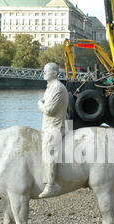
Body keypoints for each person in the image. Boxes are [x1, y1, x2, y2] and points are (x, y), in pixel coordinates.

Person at [38, 63, 69, 198]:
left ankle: (51, 185)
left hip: (55, 126)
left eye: (46, 71)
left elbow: (49, 110)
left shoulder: (58, 88)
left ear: (55, 73)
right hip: (47, 126)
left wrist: (40, 104)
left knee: (49, 150)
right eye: (43, 71)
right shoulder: (49, 87)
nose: (43, 73)